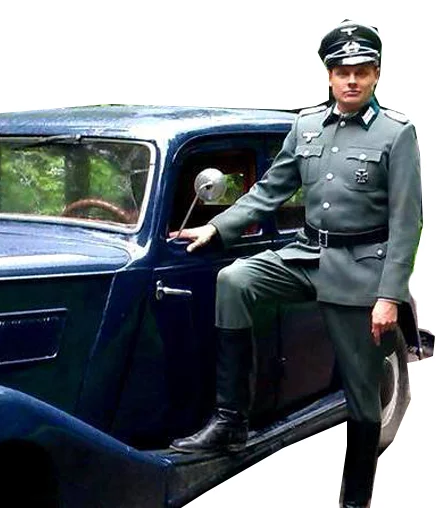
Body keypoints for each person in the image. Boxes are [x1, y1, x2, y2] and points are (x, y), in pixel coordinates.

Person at [169, 19, 422, 508]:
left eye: (362, 71)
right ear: (329, 75)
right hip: (306, 254)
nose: (352, 80)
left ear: (377, 74)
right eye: (343, 71)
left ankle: (354, 500)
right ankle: (231, 422)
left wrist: (389, 295)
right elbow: (270, 189)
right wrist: (217, 227)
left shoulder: (397, 133)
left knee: (363, 399)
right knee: (234, 280)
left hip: (360, 267)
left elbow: (406, 221)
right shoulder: (306, 125)